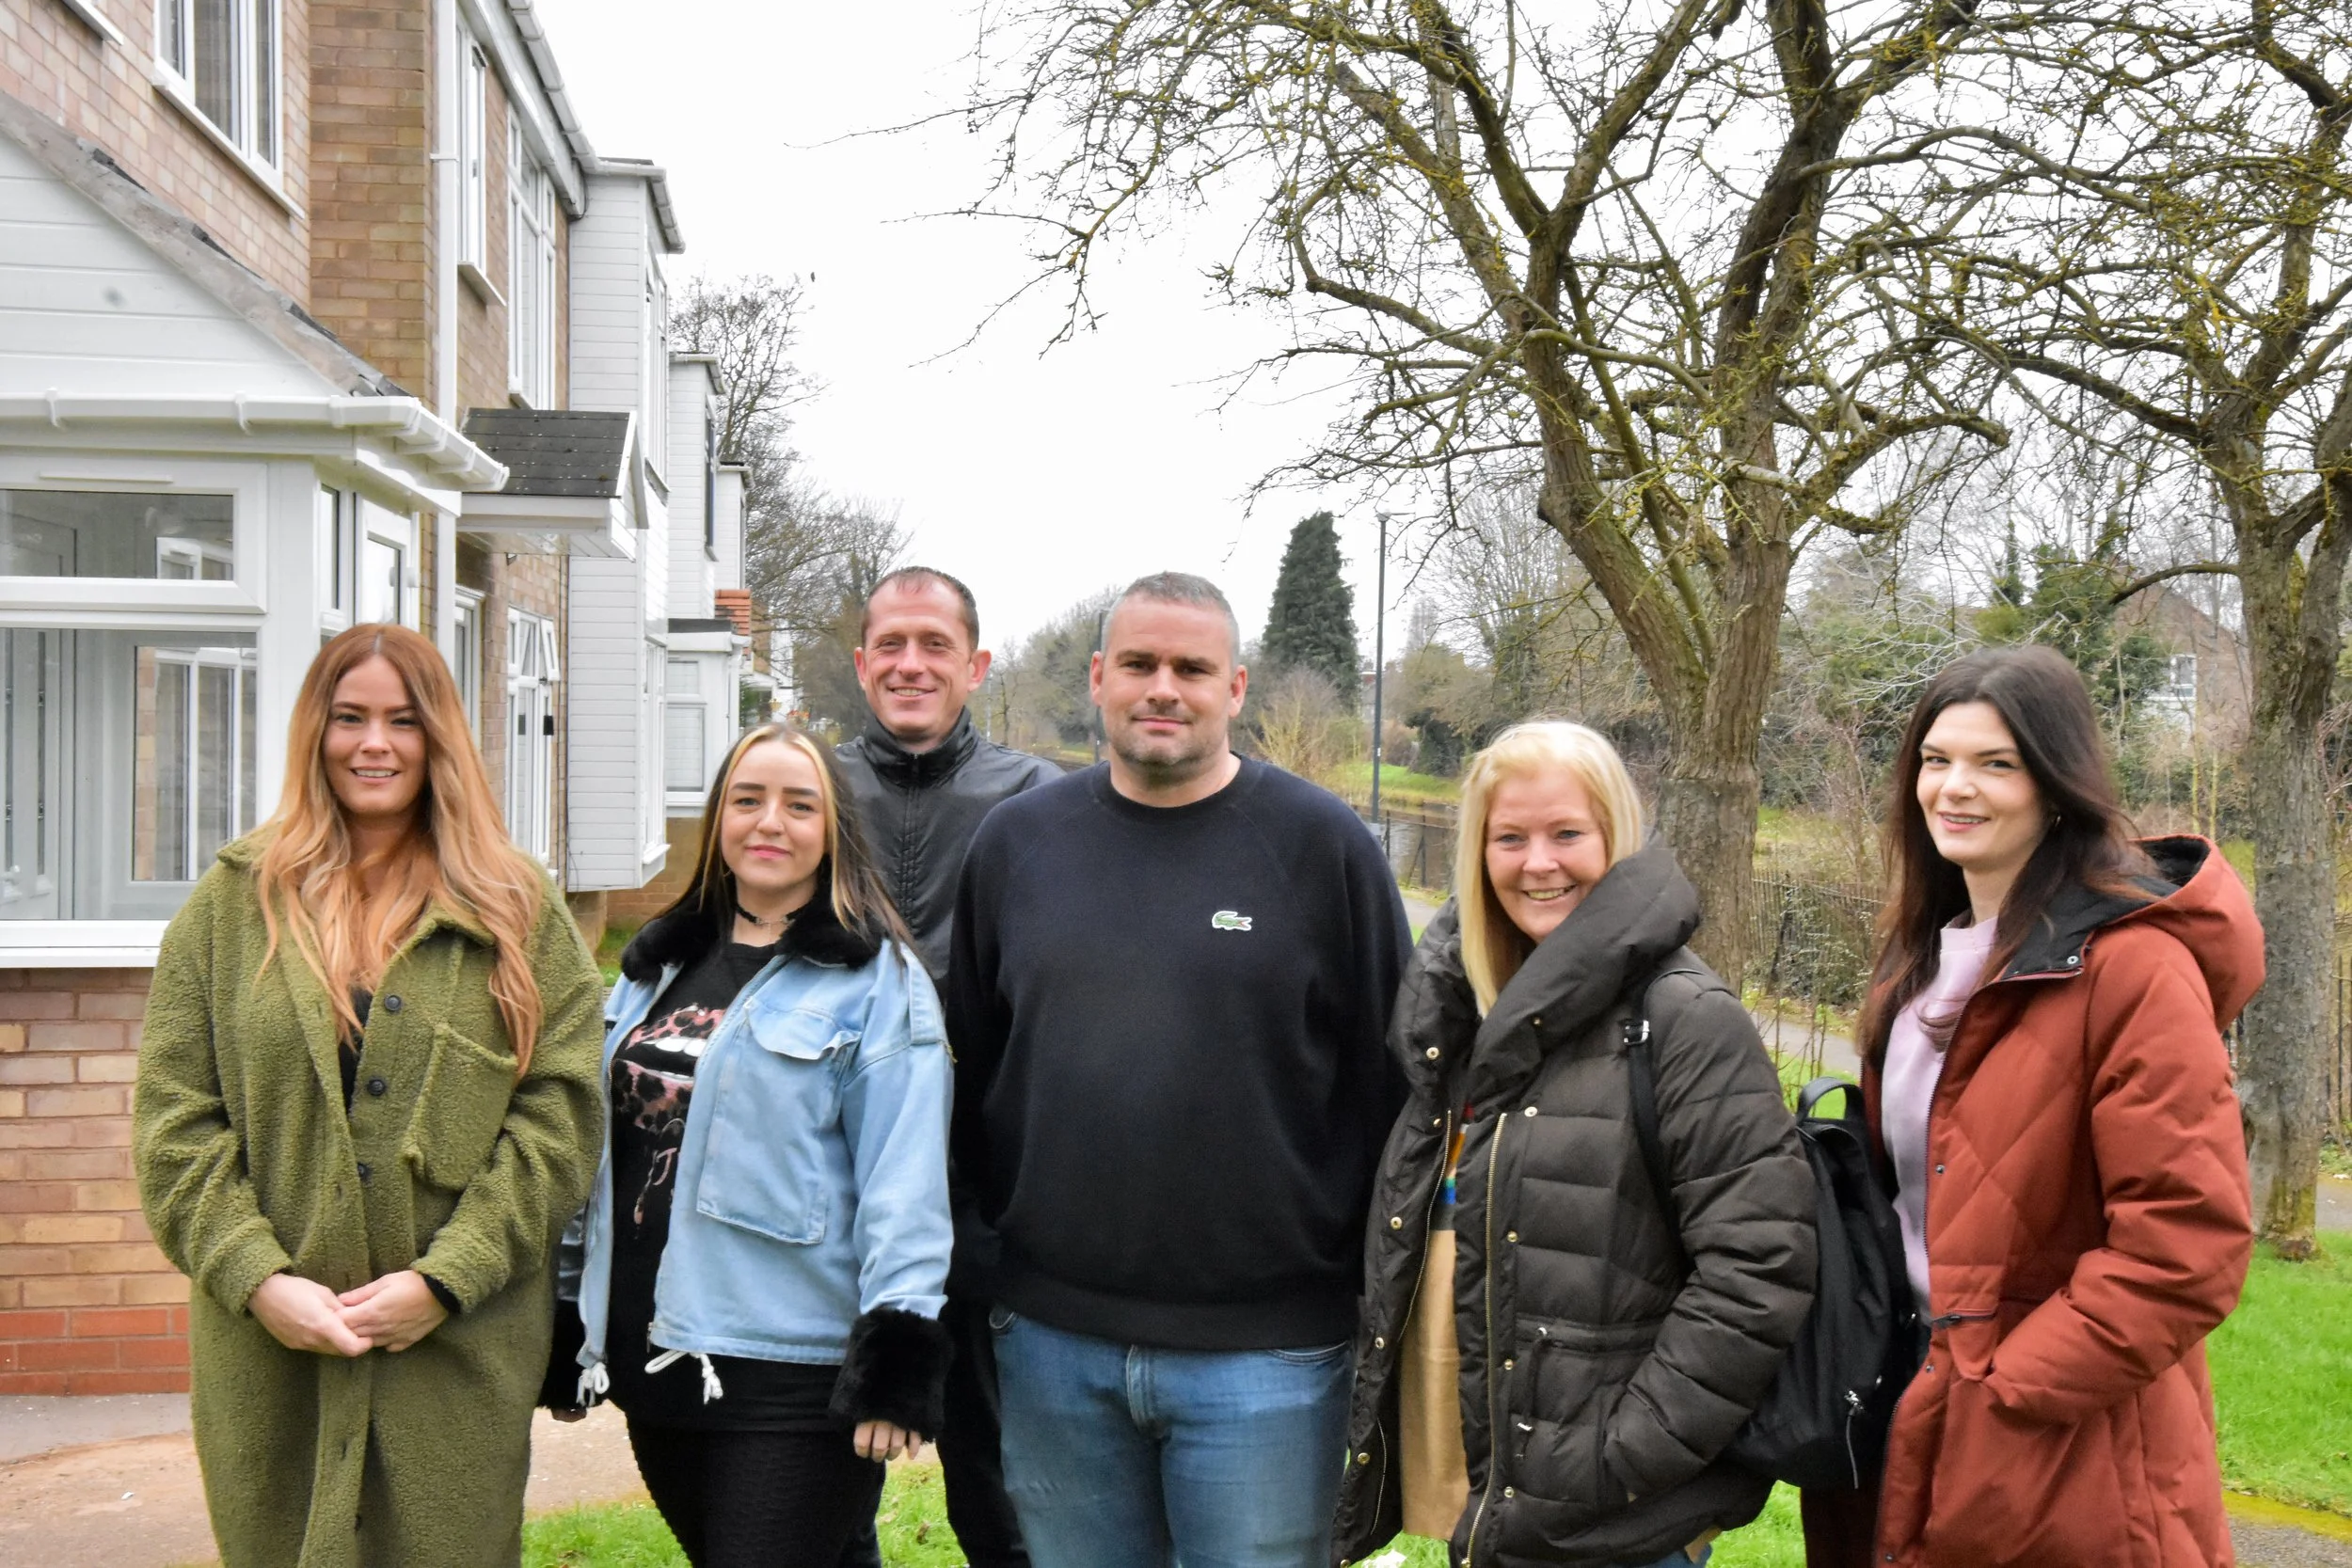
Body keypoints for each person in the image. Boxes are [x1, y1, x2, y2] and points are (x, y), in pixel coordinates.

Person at [945, 570, 1411, 1568]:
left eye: (1192, 668)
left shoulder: (1322, 848)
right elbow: (969, 1070)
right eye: (1140, 663)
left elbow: (1392, 1092)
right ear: (1098, 677)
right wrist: (988, 1263)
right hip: (1053, 1343)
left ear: (1234, 687)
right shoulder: (1016, 846)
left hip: (1269, 1355)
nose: (1164, 687)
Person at [134, 624, 607, 1567]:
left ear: (440, 737)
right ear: (316, 730)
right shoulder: (231, 905)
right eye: (349, 717)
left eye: (403, 720)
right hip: (273, 1364)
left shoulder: (516, 906)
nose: (374, 743)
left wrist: (445, 1280)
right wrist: (259, 1280)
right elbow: (174, 1123)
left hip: (455, 1360)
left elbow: (560, 1117)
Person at [1802, 645, 2262, 1568]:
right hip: (1900, 1402)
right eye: (1936, 759)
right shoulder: (1919, 960)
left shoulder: (2136, 968)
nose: (1954, 787)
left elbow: (2185, 1247)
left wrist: (1999, 1390)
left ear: (2056, 784)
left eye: (1995, 762)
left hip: (2062, 1445)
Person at [1333, 721, 1817, 1568]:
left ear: (1616, 838)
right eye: (1509, 838)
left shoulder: (1682, 1019)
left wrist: (1618, 1457)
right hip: (1490, 1489)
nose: (1538, 863)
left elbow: (1758, 1267)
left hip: (1610, 1521)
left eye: (1567, 834)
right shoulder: (1460, 1011)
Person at [572, 723, 956, 1568]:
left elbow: (904, 1181)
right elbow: (598, 1161)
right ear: (719, 819)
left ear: (833, 830)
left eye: (799, 804)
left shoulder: (877, 984)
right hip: (654, 1356)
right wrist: (573, 1308)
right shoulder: (655, 967)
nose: (769, 821)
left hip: (790, 1373)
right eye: (748, 800)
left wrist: (896, 1359)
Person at [832, 565, 1058, 1568]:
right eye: (891, 643)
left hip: (989, 1181)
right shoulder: (814, 788)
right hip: (833, 1171)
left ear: (976, 665)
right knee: (818, 1474)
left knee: (1000, 1479)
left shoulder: (1038, 800)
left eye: (935, 644)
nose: (911, 664)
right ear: (862, 662)